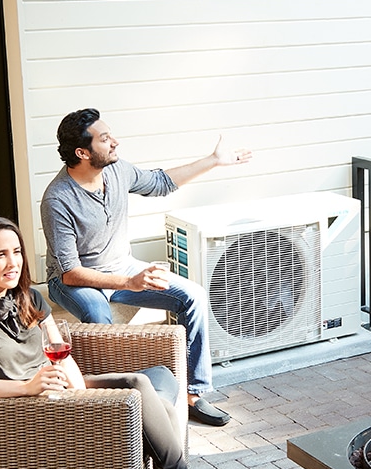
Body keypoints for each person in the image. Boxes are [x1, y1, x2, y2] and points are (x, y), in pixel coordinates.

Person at [0, 216, 242, 469]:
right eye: (0, 255)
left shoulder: (28, 298)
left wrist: (84, 399)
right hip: (31, 411)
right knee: (141, 388)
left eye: (17, 251)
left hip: (62, 395)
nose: (13, 263)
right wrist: (26, 388)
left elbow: (61, 355)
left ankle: (156, 456)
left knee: (159, 377)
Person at [41, 108, 252, 426]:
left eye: (110, 134)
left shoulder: (117, 171)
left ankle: (193, 395)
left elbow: (161, 182)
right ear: (82, 152)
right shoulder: (58, 200)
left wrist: (214, 160)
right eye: (105, 138)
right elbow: (69, 270)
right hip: (75, 280)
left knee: (192, 296)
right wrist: (128, 282)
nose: (115, 142)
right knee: (98, 315)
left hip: (120, 264)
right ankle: (102, 403)